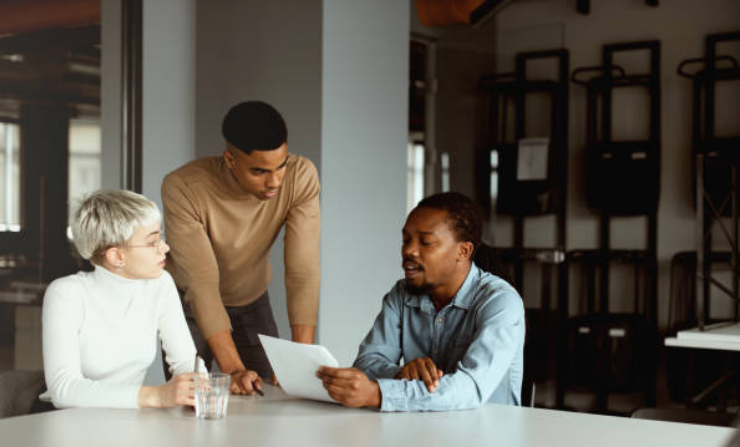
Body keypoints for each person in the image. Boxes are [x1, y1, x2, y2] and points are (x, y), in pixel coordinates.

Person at [162, 101, 320, 396]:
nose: (274, 181)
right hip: (189, 304)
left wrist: (301, 358)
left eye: (281, 166)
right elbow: (202, 283)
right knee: (191, 400)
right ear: (230, 160)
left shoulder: (301, 176)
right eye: (260, 171)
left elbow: (303, 270)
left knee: (271, 396)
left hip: (251, 299)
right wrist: (233, 369)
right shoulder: (183, 186)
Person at [317, 192, 525, 411]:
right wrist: (400, 373)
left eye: (426, 242)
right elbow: (367, 363)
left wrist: (379, 394)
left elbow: (471, 388)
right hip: (422, 432)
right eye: (406, 239)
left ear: (463, 251)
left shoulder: (501, 302)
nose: (408, 250)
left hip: (489, 437)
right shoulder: (401, 294)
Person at [41, 190, 197, 409]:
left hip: (129, 421)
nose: (165, 248)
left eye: (160, 237)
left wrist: (197, 386)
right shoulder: (66, 293)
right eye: (153, 242)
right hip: (70, 423)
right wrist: (158, 396)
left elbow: (185, 362)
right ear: (116, 256)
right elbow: (64, 390)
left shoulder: (160, 283)